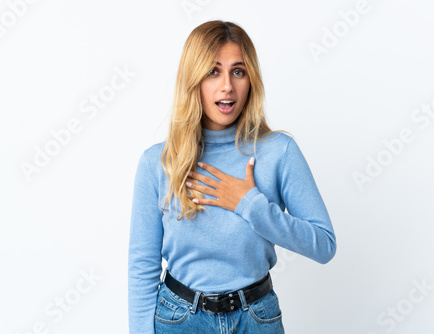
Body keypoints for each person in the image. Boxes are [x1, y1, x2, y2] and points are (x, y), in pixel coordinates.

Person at [128, 20, 337, 334]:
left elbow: (323, 245)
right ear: (193, 80)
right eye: (213, 71)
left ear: (250, 79)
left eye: (238, 71)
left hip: (256, 318)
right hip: (179, 320)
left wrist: (250, 204)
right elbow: (142, 267)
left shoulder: (279, 152)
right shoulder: (157, 163)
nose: (227, 85)